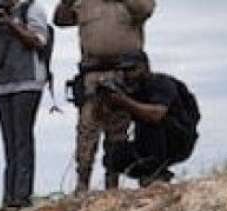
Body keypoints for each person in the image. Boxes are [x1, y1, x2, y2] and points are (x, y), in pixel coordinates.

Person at [54, 0, 156, 193]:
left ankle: (112, 183)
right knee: (87, 130)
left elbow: (146, 9)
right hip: (91, 74)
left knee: (118, 131)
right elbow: (60, 20)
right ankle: (82, 184)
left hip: (124, 74)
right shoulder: (84, 3)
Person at [0, 0, 55, 210]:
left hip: (27, 80)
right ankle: (9, 196)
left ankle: (22, 196)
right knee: (9, 142)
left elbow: (39, 41)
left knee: (22, 138)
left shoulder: (32, 9)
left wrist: (11, 23)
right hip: (1, 83)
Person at [97, 52, 201, 185]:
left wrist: (124, 101)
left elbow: (156, 115)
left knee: (150, 121)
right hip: (148, 144)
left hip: (178, 140)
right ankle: (151, 172)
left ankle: (156, 173)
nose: (128, 75)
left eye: (132, 70)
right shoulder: (131, 89)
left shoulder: (161, 83)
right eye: (124, 71)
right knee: (114, 156)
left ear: (145, 67)